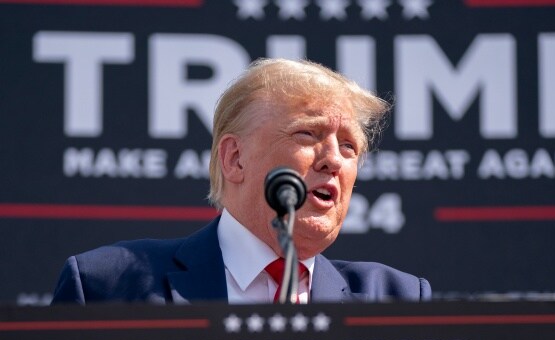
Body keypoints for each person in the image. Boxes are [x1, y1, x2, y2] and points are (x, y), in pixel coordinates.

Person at [52, 58, 431, 304]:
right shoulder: (108, 287)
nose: (334, 159)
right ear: (235, 158)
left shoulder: (396, 301)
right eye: (308, 134)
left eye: (349, 146)